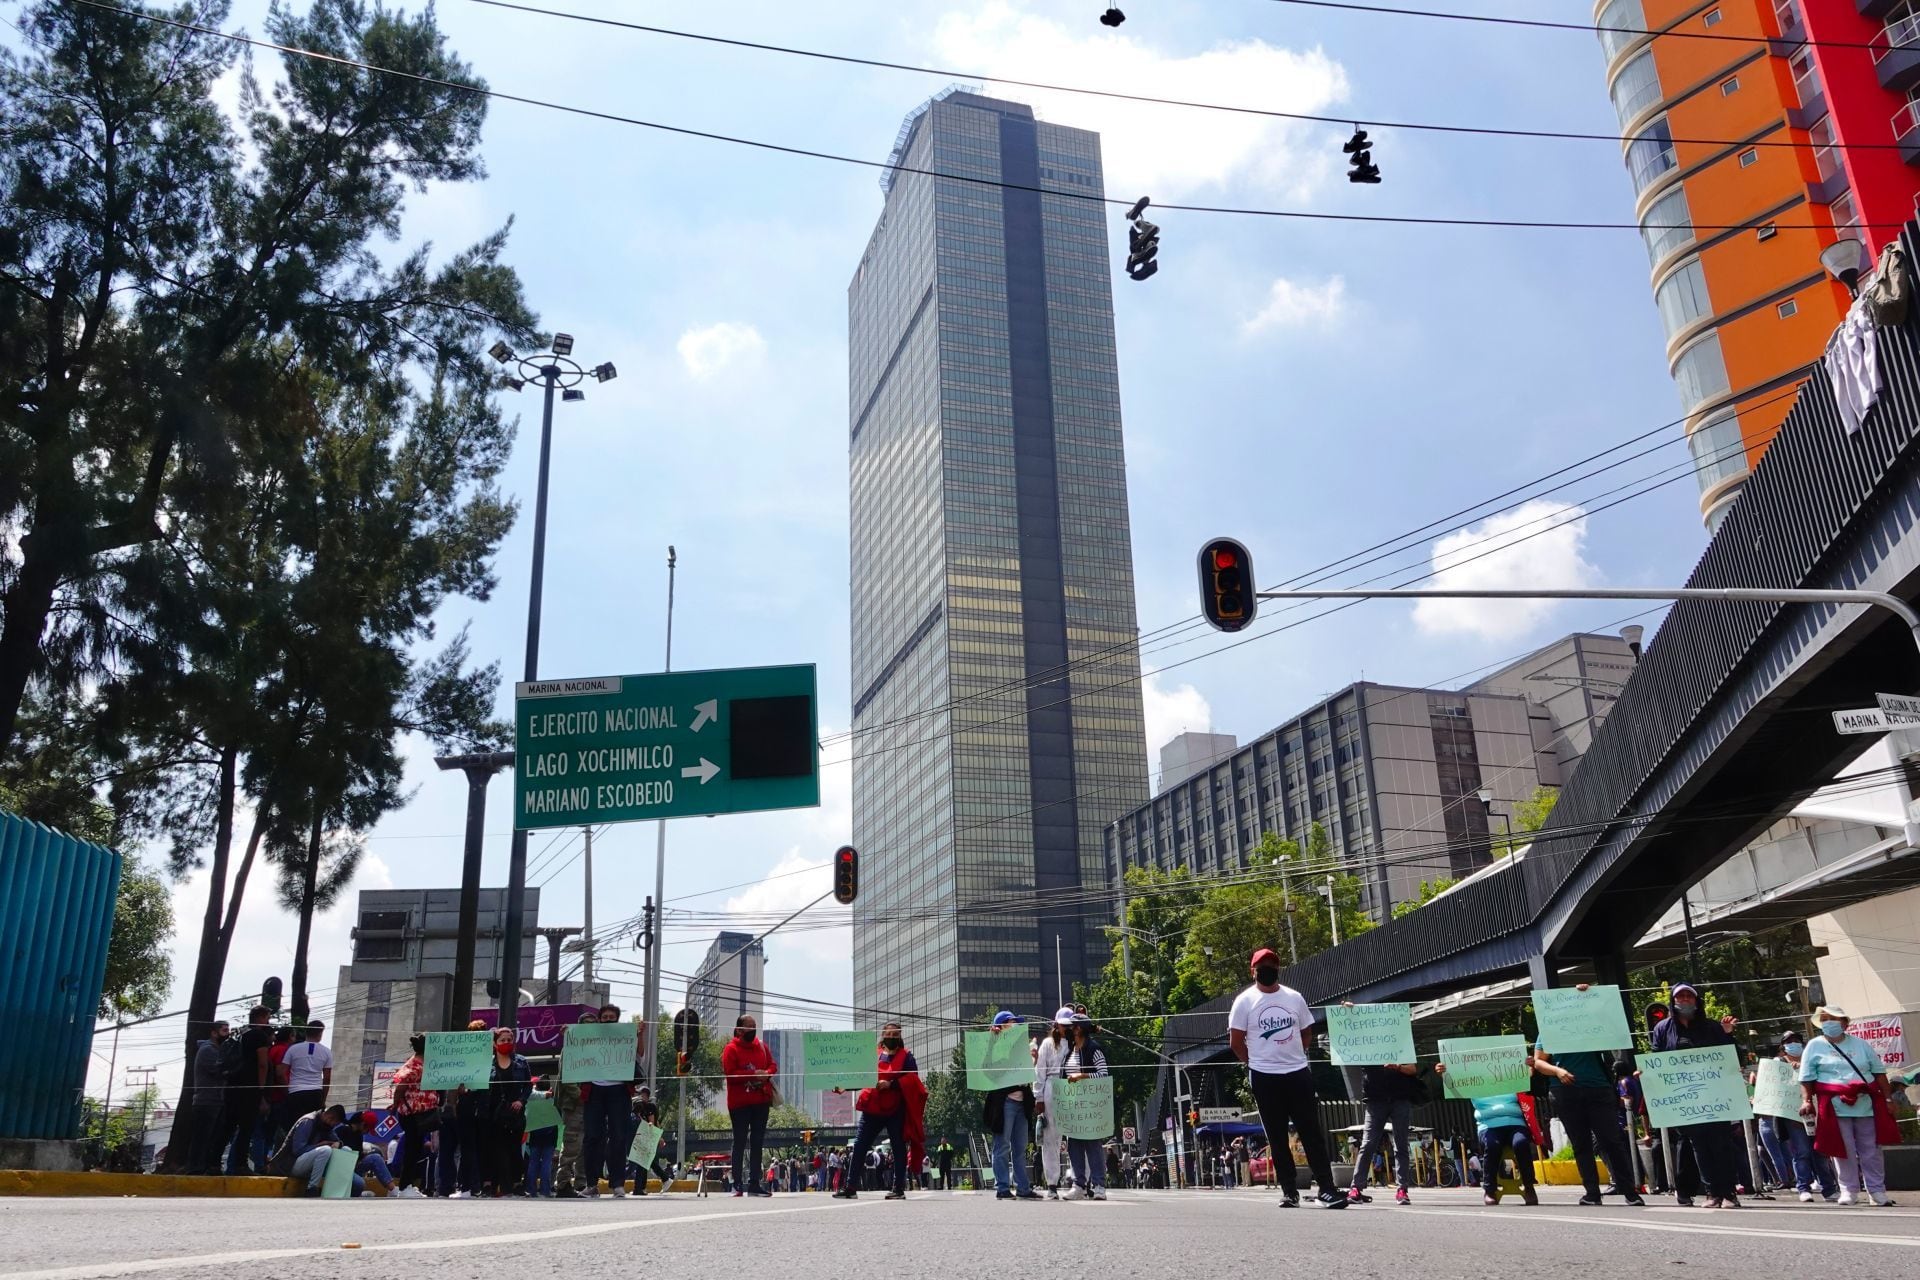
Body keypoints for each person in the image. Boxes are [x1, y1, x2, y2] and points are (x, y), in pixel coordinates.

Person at [1228, 948, 1345, 1208]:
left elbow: (1306, 1031)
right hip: (1264, 1076)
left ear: (1278, 969)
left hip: (1297, 1073)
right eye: (1262, 966)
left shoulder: (1294, 998)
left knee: (1311, 1132)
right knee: (1277, 1136)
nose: (1267, 969)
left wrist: (1294, 1055)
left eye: (1272, 965)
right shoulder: (1244, 1001)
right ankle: (1290, 1191)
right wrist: (1256, 1062)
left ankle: (1327, 1188)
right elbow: (1236, 1042)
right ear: (1253, 971)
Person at [1532, 985, 1645, 1207]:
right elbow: (1538, 1062)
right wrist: (1557, 1071)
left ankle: (1630, 1191)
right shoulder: (1549, 1028)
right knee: (1581, 1144)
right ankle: (1592, 1193)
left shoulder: (1593, 1023)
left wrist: (1591, 994)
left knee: (1612, 1140)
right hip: (1565, 1091)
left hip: (1598, 1089)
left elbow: (1611, 1020)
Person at [1650, 983, 1743, 1207]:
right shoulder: (1663, 1028)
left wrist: (1727, 1035)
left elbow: (1729, 1056)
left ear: (1696, 1000)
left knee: (1721, 1144)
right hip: (1685, 1100)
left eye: (1688, 996)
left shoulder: (1711, 1027)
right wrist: (1647, 1072)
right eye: (1680, 996)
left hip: (1714, 1098)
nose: (1684, 1000)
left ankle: (1729, 1193)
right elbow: (1656, 1057)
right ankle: (1712, 1193)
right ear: (1673, 1001)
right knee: (1698, 1145)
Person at [1799, 1005, 1900, 1207]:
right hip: (1834, 1106)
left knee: (1871, 1149)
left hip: (1865, 1104)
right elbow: (1806, 1078)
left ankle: (1877, 1190)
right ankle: (1848, 1190)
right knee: (1842, 1149)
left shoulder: (1861, 1044)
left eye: (1834, 1019)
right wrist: (1807, 1100)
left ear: (1845, 1023)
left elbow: (1879, 1073)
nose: (1829, 1023)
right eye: (1825, 1019)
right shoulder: (1814, 1046)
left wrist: (1888, 1099)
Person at [835, 1021, 922, 1201]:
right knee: (859, 1146)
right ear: (883, 1036)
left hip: (895, 1110)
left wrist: (891, 1084)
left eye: (895, 1035)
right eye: (888, 1035)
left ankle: (898, 1188)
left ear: (900, 1037)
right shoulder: (872, 1055)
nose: (891, 1038)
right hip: (872, 1108)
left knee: (898, 1148)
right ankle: (850, 1186)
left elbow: (913, 1080)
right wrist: (845, 1087)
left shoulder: (907, 1057)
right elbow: (861, 1076)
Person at [1347, 1056, 1436, 1206]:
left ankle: (1402, 1189)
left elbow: (1413, 1069)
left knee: (1401, 1144)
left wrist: (1398, 1066)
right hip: (1375, 1099)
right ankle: (1356, 1187)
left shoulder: (1399, 1043)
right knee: (1368, 1144)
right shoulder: (1366, 1046)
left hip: (1400, 1099)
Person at [983, 1011, 1041, 1201]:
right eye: (1011, 1022)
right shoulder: (995, 1046)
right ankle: (1002, 1187)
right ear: (1001, 1026)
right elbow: (987, 1068)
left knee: (1020, 1147)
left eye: (1017, 1023)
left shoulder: (1021, 1048)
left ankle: (1023, 1187)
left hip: (1021, 1103)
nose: (1015, 1025)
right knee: (1002, 1146)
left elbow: (1027, 1073)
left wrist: (1034, 1058)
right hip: (1005, 1103)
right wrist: (993, 1040)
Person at [580, 1003, 635, 1199]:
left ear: (617, 1019)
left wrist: (641, 1034)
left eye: (612, 1017)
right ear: (599, 1019)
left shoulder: (625, 1036)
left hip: (619, 1091)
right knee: (592, 1137)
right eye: (605, 1017)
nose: (609, 1020)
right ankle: (591, 1184)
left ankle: (618, 1184)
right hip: (594, 1091)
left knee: (618, 1137)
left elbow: (641, 1054)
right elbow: (576, 1051)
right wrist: (569, 1036)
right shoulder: (589, 1037)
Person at [721, 1014, 777, 1197]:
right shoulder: (731, 1049)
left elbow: (773, 1065)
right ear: (739, 1030)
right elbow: (730, 1074)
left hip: (761, 1101)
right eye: (749, 1027)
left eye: (754, 1026)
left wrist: (766, 1073)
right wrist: (754, 1074)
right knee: (739, 1141)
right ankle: (737, 1183)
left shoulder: (761, 1046)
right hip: (739, 1104)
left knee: (757, 1142)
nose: (752, 1030)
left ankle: (754, 1184)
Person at [1059, 1014, 1111, 1201]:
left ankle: (1099, 1185)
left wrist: (1081, 1076)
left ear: (1078, 1029)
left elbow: (1103, 1075)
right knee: (1074, 1145)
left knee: (1093, 1145)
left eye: (1072, 1027)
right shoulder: (1070, 1052)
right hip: (1074, 1106)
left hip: (1091, 1105)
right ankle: (1078, 1184)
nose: (1069, 1030)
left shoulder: (1094, 1050)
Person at [220, 1005, 275, 1175]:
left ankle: (212, 1162)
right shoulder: (259, 1036)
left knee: (227, 1127)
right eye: (267, 1018)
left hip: (232, 1085)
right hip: (250, 1088)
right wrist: (260, 1089)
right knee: (246, 1128)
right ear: (259, 1017)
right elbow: (262, 1063)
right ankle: (241, 1165)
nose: (268, 1022)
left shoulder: (239, 1034)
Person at [439, 1019, 488, 1200]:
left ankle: (473, 1186)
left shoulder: (489, 1057)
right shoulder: (462, 1057)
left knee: (472, 1149)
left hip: (476, 1106)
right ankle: (464, 1186)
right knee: (464, 1149)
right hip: (462, 1108)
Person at [1465, 1087, 1537, 1206]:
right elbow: (1455, 1084)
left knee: (1521, 1143)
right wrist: (1444, 1073)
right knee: (1492, 1145)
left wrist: (1530, 1070)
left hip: (1516, 1123)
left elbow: (1528, 1079)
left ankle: (1529, 1187)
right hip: (1488, 1126)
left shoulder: (1510, 1076)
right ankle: (1489, 1190)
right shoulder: (1475, 1080)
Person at [388, 1033, 439, 1198]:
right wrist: (395, 1104)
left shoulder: (421, 1063)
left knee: (415, 1149)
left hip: (420, 1113)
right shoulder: (416, 1066)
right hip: (413, 1114)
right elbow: (401, 1086)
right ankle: (404, 1187)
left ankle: (408, 1185)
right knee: (412, 1150)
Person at [485, 1026, 531, 1198]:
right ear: (495, 1043)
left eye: (509, 1040)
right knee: (498, 1150)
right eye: (502, 1040)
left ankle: (517, 1184)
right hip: (494, 1113)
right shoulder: (487, 1062)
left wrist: (521, 1101)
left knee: (514, 1150)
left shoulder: (521, 1061)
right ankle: (504, 1187)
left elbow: (528, 1085)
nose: (506, 1043)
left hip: (515, 1114)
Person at [187, 1019, 235, 1175]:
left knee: (214, 1137)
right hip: (207, 1100)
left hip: (217, 1100)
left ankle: (207, 1166)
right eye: (224, 1031)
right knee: (202, 1137)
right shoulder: (209, 1050)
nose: (227, 1034)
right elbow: (220, 1069)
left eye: (228, 1030)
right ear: (214, 1033)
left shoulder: (218, 1049)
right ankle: (195, 1168)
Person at [1034, 1007, 1072, 1197]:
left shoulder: (1075, 1043)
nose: (1067, 1028)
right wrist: (1039, 1097)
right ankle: (1052, 1183)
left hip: (1072, 1087)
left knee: (1075, 1135)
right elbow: (1040, 1070)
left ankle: (1081, 1179)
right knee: (1051, 1138)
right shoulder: (1048, 1044)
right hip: (1051, 1087)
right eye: (1064, 1025)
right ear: (1056, 1024)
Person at [281, 1021, 333, 1120]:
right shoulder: (327, 1052)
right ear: (320, 1033)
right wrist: (323, 1099)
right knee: (311, 1127)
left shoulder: (293, 1049)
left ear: (306, 1032)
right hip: (315, 1093)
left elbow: (280, 1073)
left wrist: (287, 1090)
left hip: (296, 1092)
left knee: (294, 1125)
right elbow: (327, 1078)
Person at [630, 1084, 664, 1194]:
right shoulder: (638, 1106)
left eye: (643, 1095)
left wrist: (657, 1137)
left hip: (647, 1134)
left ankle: (640, 1187)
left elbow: (652, 1122)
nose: (641, 1096)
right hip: (641, 1135)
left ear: (647, 1096)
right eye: (640, 1094)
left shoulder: (650, 1107)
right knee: (643, 1162)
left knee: (644, 1162)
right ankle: (641, 1187)